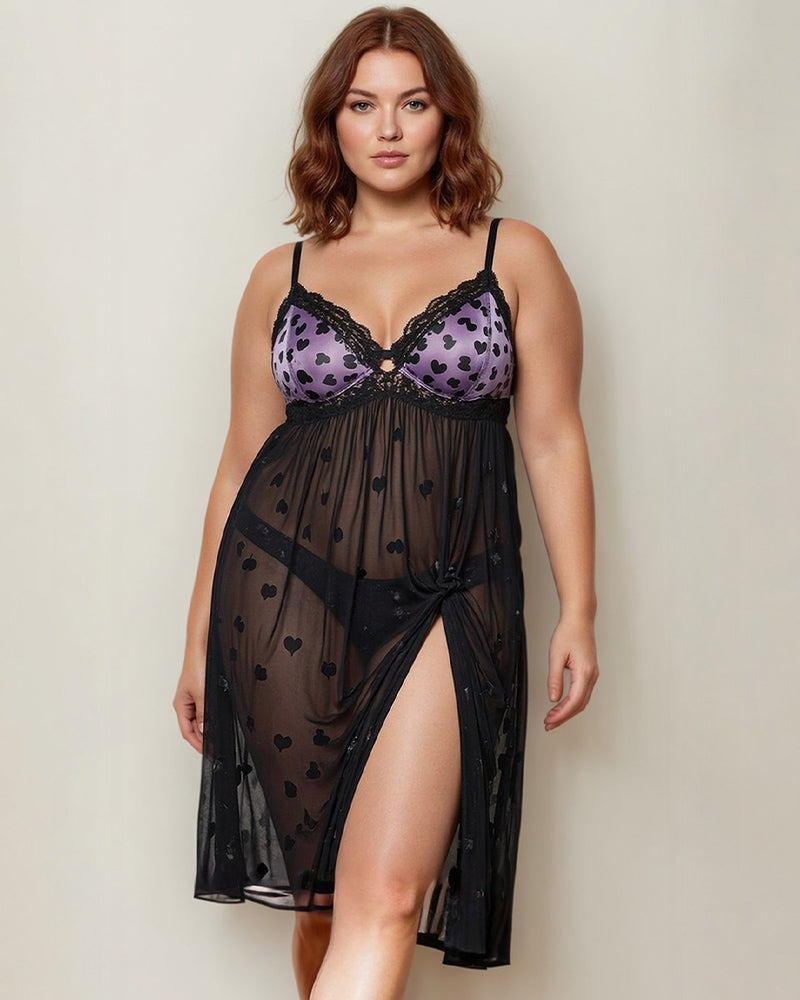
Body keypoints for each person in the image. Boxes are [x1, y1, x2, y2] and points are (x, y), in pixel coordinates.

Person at [173, 6, 599, 999]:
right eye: (363, 106)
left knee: (389, 896)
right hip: (286, 597)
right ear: (332, 122)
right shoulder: (279, 275)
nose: (390, 128)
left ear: (449, 118)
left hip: (450, 594)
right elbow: (239, 462)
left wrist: (580, 607)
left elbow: (551, 438)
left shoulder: (513, 256)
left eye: (413, 103)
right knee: (324, 905)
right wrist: (197, 639)